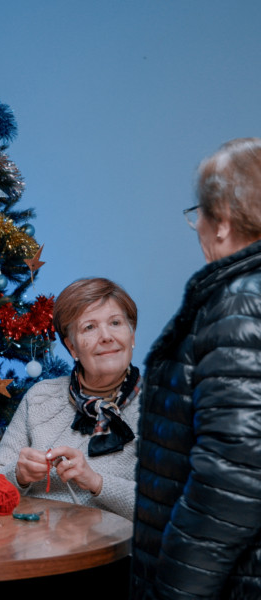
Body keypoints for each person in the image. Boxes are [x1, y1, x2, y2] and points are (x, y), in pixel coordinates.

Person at [131, 138, 261, 598]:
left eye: (200, 213)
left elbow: (234, 475)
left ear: (223, 219)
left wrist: (175, 591)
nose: (198, 227)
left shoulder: (242, 303)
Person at [0, 277, 140, 521]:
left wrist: (97, 483)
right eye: (89, 327)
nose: (106, 336)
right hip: (35, 550)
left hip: (118, 556)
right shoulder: (39, 398)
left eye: (115, 323)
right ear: (72, 348)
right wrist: (18, 474)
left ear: (131, 336)